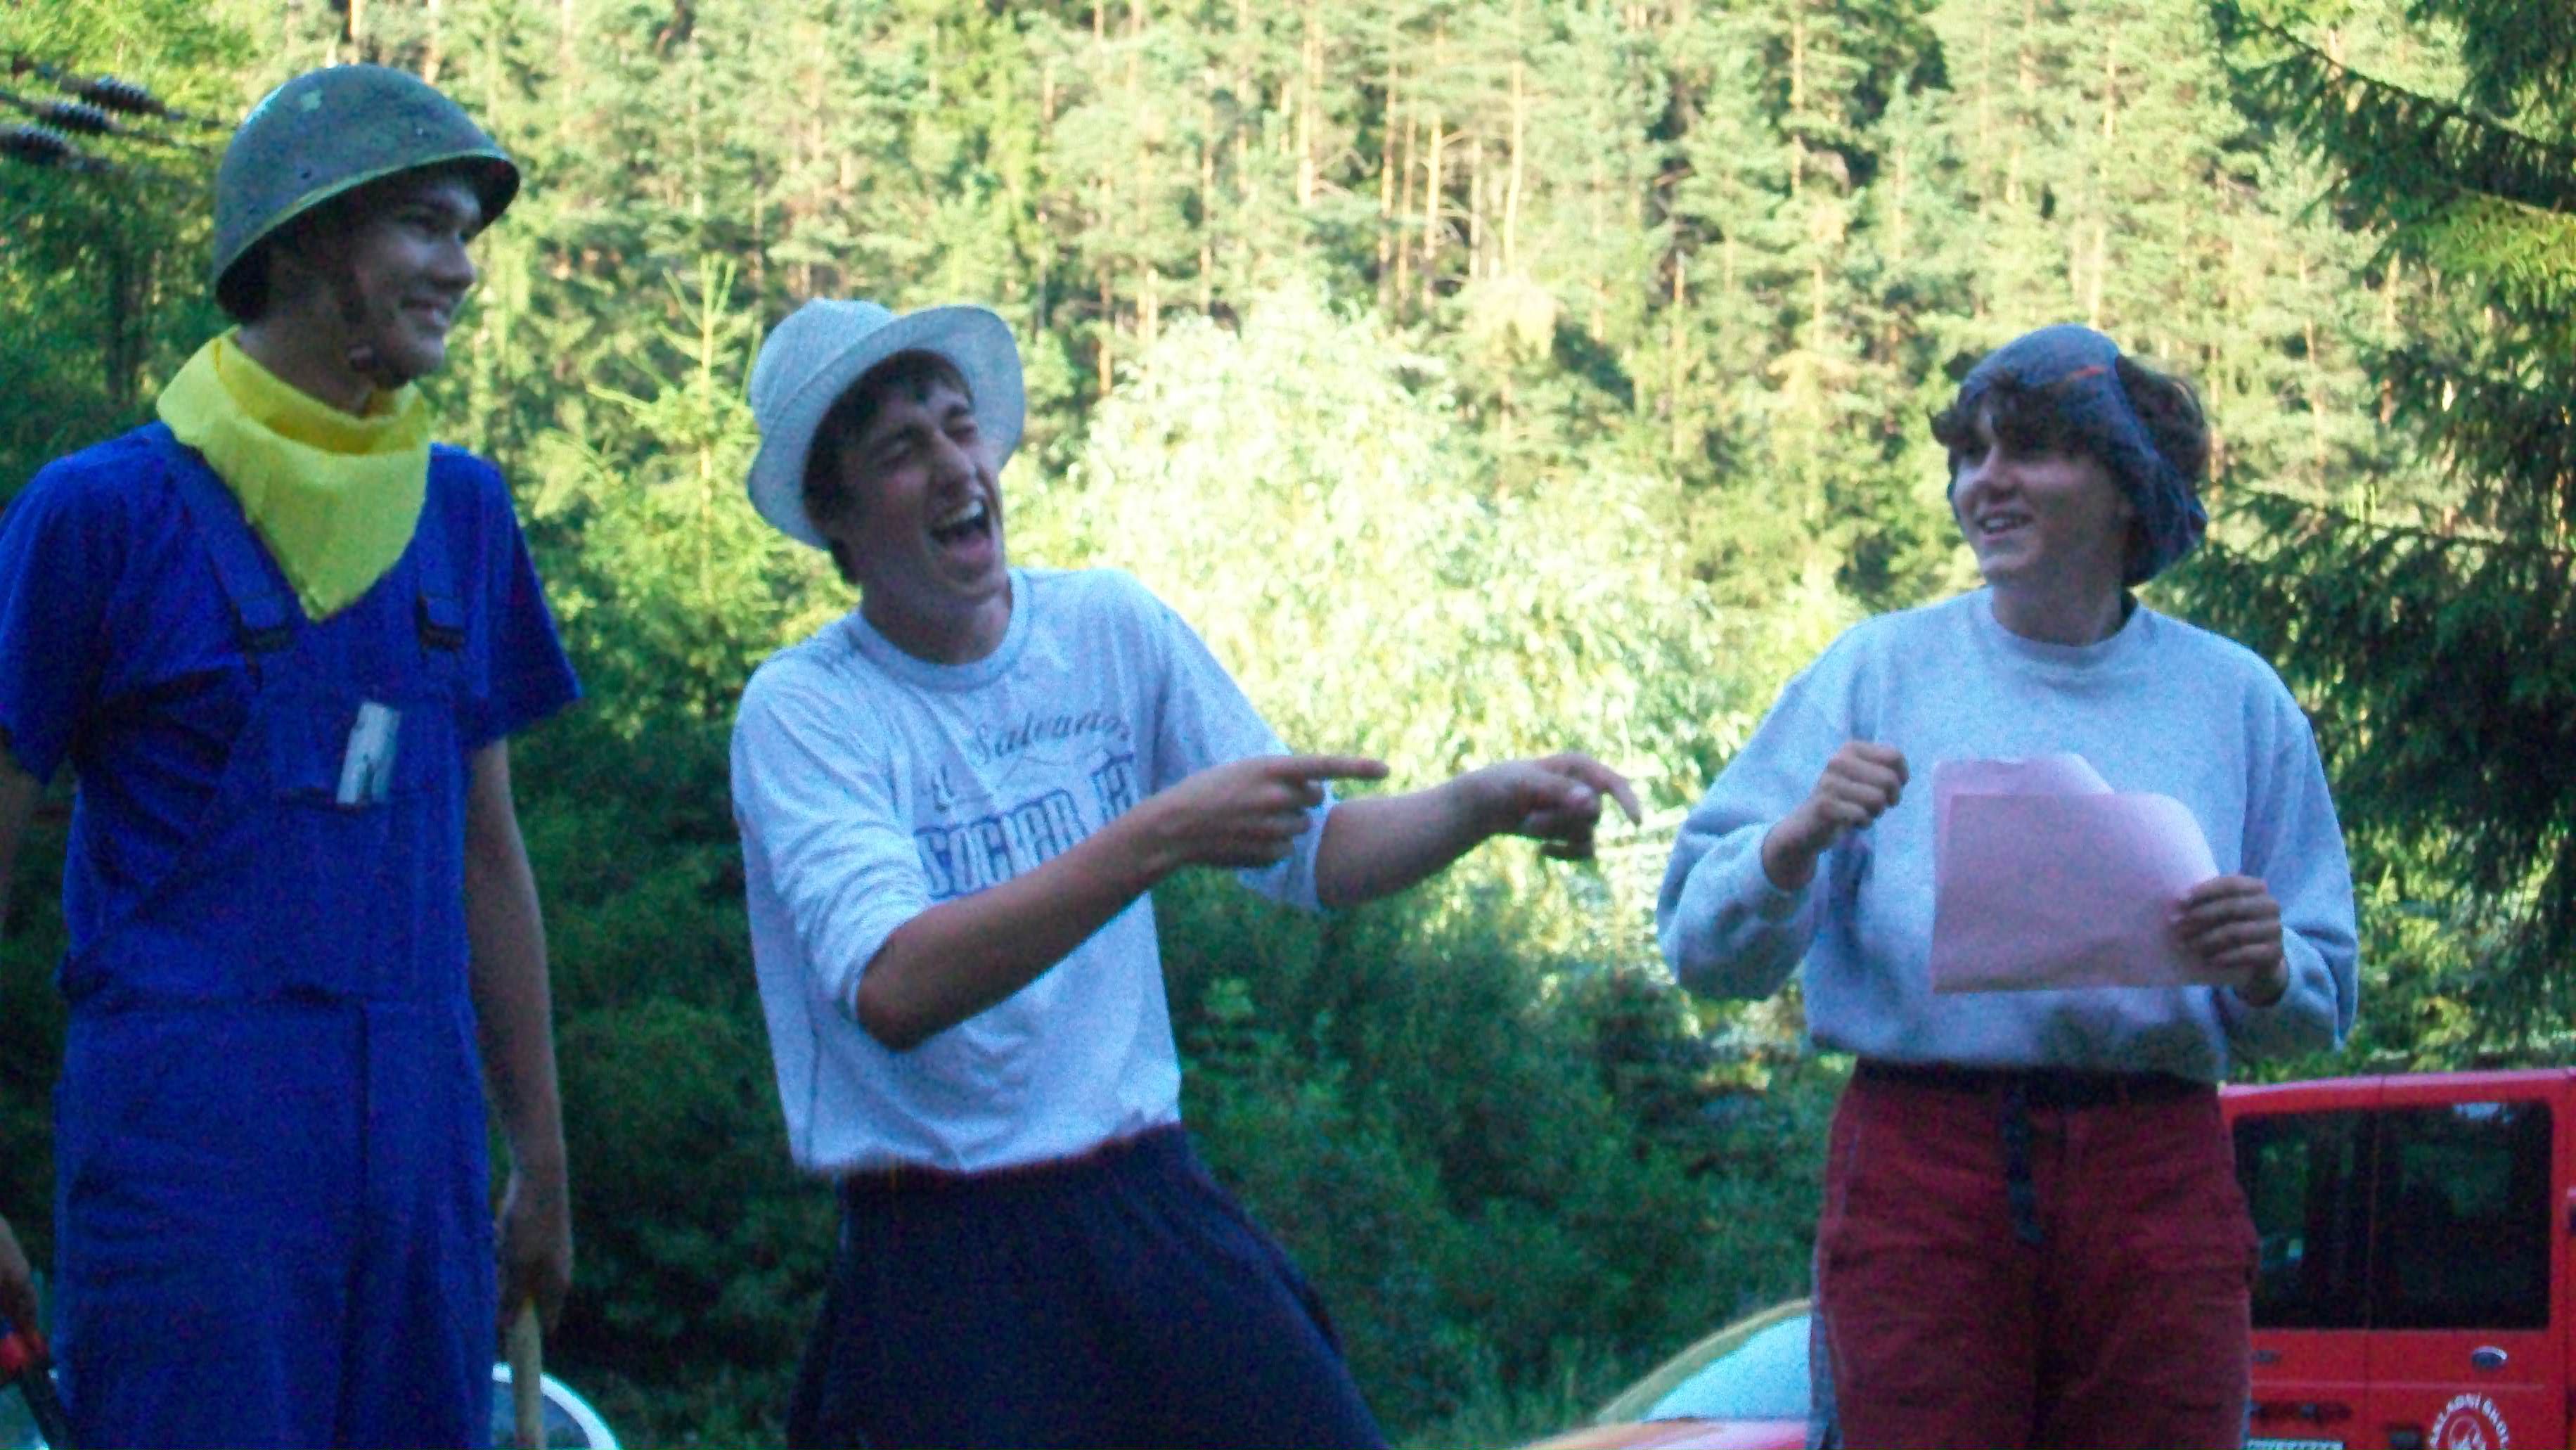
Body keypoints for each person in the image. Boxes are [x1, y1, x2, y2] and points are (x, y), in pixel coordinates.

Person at [730, 297, 1641, 1449]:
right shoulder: (807, 710)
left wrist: (1480, 802)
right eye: (902, 450)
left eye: (961, 427)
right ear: (836, 515)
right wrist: (1157, 834)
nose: (957, 466)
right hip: (940, 1254)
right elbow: (897, 986)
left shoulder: (1109, 627)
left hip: (1144, 1200)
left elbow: (1312, 853)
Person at [0, 65, 579, 1448]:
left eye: (464, 235)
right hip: (191, 1177)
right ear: (308, 239)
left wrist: (542, 1154)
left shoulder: (461, 512)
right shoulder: (101, 515)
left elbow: (486, 856)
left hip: (422, 1164)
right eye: (426, 227)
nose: (461, 269)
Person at [1657, 324, 2358, 1450]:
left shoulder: (2234, 700)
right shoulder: (1876, 670)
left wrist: (2270, 966)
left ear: (2127, 485)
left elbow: (2317, 1004)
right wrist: (1793, 841)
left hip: (2158, 1171)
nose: (1986, 480)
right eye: (1969, 453)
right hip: (1921, 1161)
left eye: (2029, 449)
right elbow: (1702, 953)